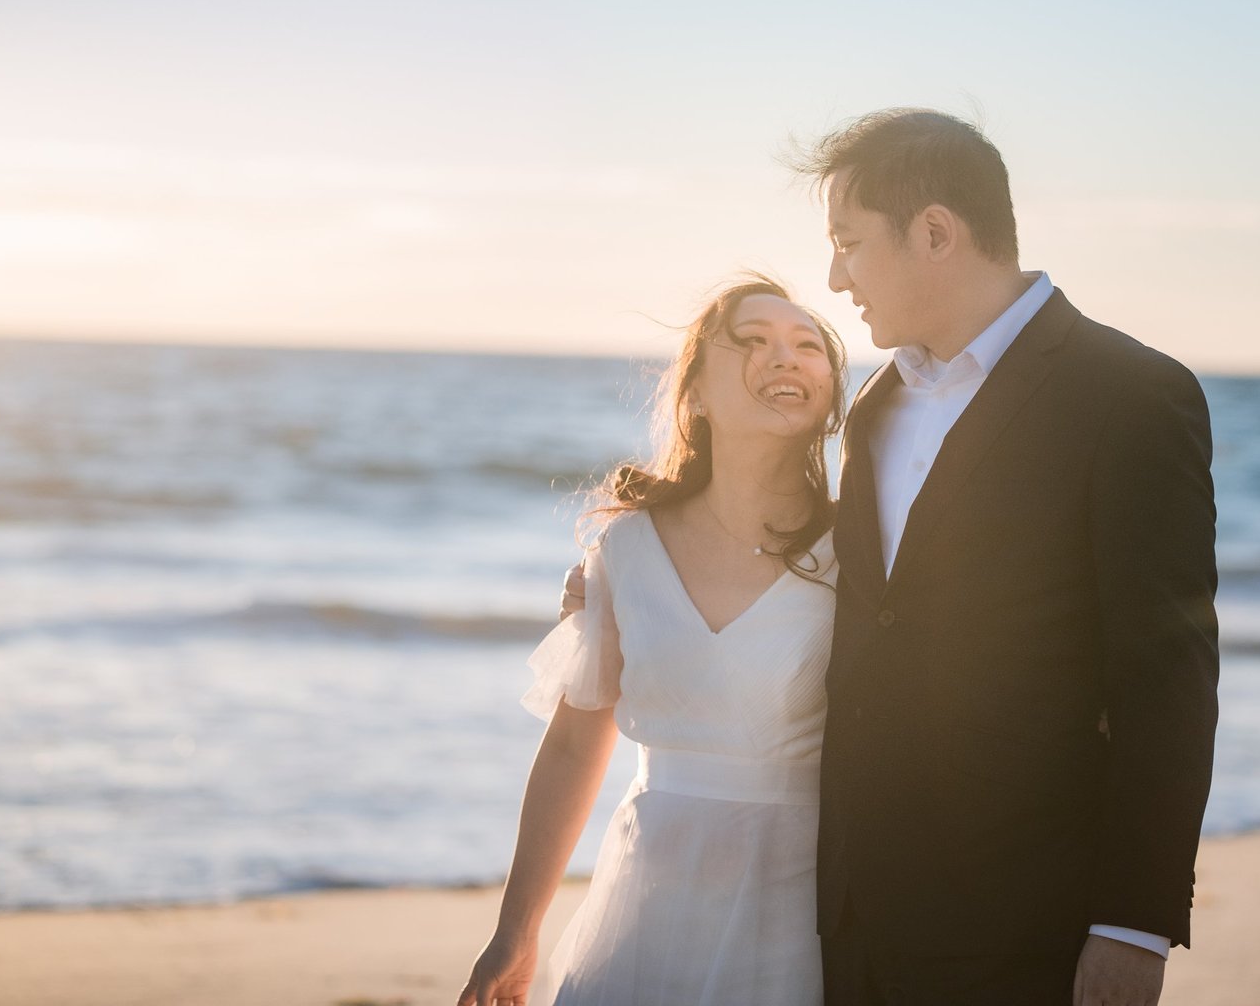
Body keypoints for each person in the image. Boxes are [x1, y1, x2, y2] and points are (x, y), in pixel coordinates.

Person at [563, 110, 1220, 1005]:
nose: (838, 278)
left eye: (849, 244)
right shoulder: (876, 407)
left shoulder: (1130, 395)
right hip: (844, 922)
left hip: (1027, 916)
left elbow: (1168, 680)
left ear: (935, 233)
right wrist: (637, 588)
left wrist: (1133, 926)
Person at [457, 276, 850, 1006]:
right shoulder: (627, 549)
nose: (785, 357)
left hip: (802, 909)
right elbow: (574, 744)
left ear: (829, 392)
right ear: (695, 392)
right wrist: (517, 929)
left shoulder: (863, 549)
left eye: (807, 345)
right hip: (646, 900)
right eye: (753, 341)